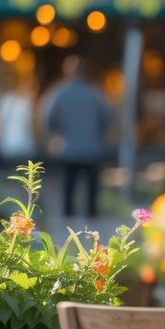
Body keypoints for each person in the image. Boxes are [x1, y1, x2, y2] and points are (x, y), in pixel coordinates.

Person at [43, 55, 114, 218]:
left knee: (68, 187)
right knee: (92, 189)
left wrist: (58, 133)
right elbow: (108, 117)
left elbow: (50, 120)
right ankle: (92, 217)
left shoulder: (60, 94)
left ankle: (68, 220)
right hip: (92, 147)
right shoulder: (95, 93)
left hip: (69, 147)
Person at [0, 74, 38, 168]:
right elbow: (0, 122)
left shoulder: (30, 102)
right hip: (11, 143)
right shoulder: (8, 100)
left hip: (26, 146)